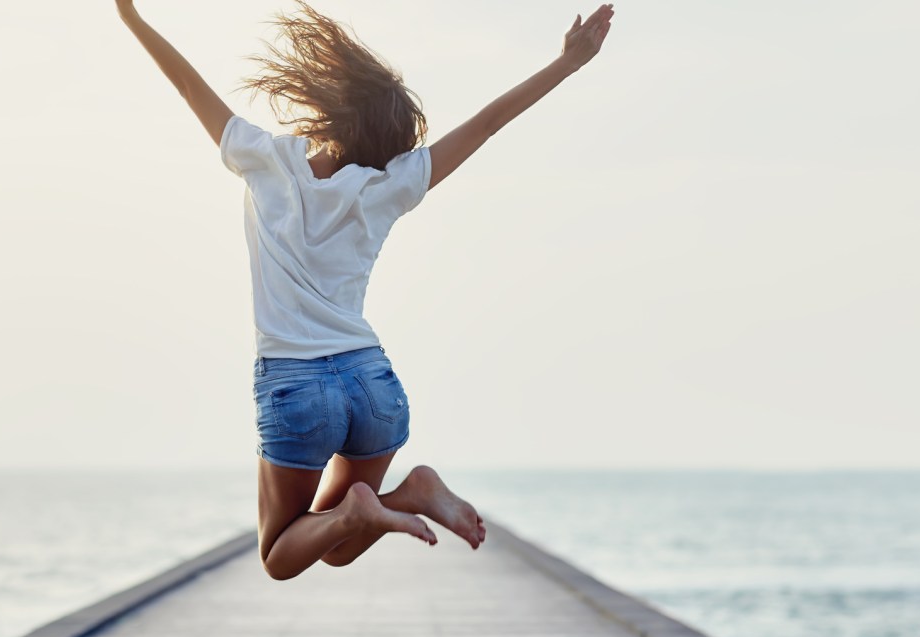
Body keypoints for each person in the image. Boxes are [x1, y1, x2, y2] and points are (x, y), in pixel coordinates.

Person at [116, 0, 614, 580]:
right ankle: (411, 493)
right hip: (371, 383)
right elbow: (486, 123)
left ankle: (378, 506)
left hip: (295, 384)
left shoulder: (264, 157)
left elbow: (185, 83)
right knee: (337, 540)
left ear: (331, 108)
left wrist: (133, 19)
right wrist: (567, 66)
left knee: (280, 555)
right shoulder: (388, 185)